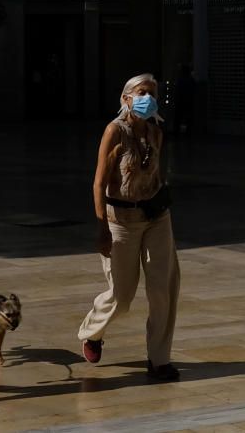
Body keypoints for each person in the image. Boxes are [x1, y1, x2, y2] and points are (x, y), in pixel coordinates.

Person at [78, 73, 181, 381]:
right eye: (141, 92)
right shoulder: (115, 131)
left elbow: (156, 174)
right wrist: (101, 228)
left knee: (164, 288)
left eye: (152, 92)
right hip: (120, 221)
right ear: (126, 98)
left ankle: (159, 359)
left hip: (155, 217)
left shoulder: (155, 132)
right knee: (122, 296)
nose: (148, 97)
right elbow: (99, 182)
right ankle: (92, 332)